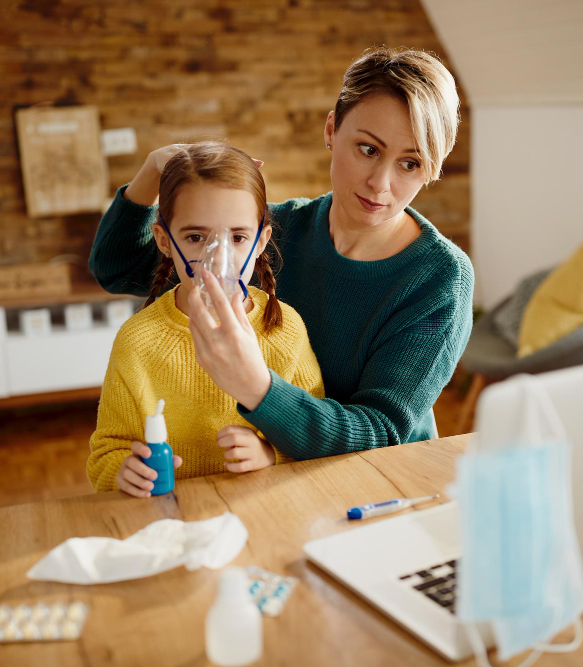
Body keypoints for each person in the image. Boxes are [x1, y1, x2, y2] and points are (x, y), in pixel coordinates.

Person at [89, 47, 473, 461]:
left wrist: (257, 388)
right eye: (368, 149)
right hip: (281, 476)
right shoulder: (265, 235)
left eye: (410, 163)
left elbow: (380, 430)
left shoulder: (440, 279)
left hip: (378, 482)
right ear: (331, 129)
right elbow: (119, 269)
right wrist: (153, 172)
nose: (381, 183)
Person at [87, 142, 324, 497]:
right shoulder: (138, 341)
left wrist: (270, 454)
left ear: (261, 242)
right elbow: (107, 452)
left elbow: (315, 436)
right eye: (196, 237)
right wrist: (123, 471)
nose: (219, 258)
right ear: (164, 241)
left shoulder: (284, 329)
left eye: (238, 237)